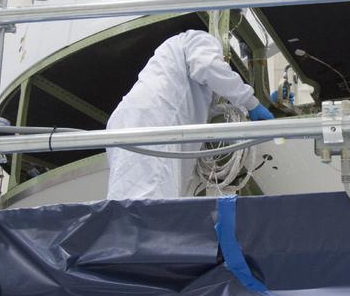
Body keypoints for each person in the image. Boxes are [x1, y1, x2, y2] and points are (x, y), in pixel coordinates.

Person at [106, 30, 273, 200]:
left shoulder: (173, 60)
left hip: (133, 120)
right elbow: (209, 67)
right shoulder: (199, 38)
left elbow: (200, 109)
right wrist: (251, 103)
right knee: (149, 199)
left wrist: (245, 110)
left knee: (126, 198)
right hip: (152, 123)